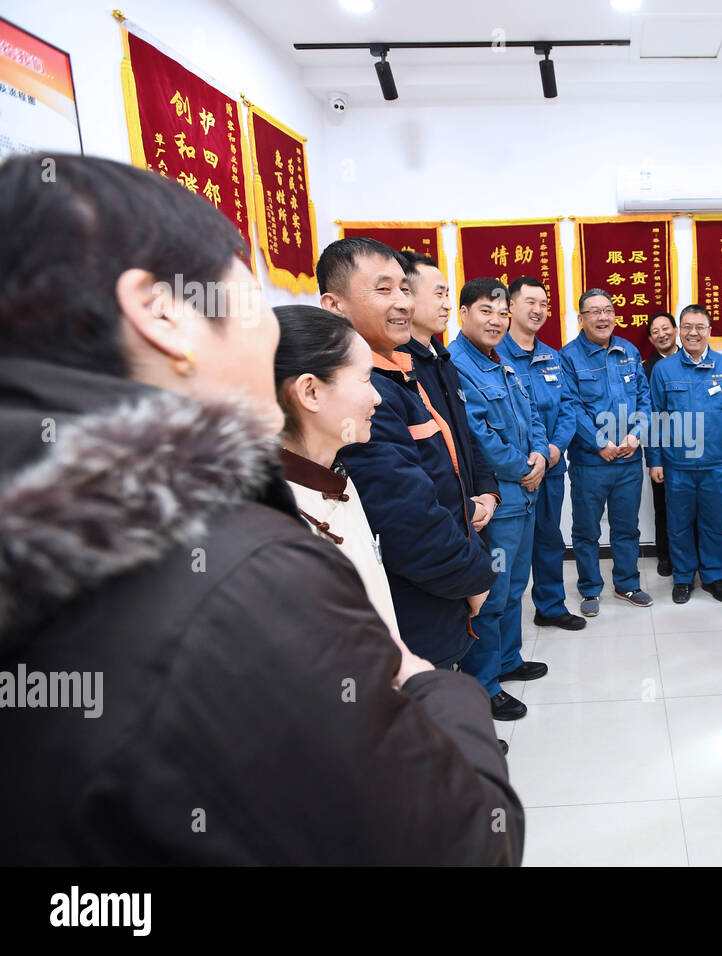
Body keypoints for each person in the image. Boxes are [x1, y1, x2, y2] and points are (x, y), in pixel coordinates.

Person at [0, 153, 521, 865]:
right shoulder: (238, 568)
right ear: (162, 314)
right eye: (251, 301)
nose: (273, 331)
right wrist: (430, 687)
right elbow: (461, 843)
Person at [319, 237, 495, 671]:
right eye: (383, 290)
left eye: (404, 289)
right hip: (413, 608)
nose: (402, 302)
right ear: (334, 305)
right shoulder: (362, 395)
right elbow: (406, 522)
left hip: (441, 595)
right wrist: (474, 577)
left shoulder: (401, 373)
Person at [450, 278, 551, 720]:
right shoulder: (457, 364)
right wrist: (523, 468)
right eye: (485, 311)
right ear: (464, 313)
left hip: (524, 494)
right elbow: (479, 437)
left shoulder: (502, 362)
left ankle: (508, 660)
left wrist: (542, 456)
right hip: (501, 500)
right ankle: (484, 685)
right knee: (491, 595)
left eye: (500, 312)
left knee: (514, 587)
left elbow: (533, 416)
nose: (495, 321)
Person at [273, 304, 400, 639]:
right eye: (366, 379)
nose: (377, 399)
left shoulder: (333, 473)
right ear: (311, 391)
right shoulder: (271, 526)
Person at [559, 288, 655, 615]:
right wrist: (600, 443)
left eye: (608, 310)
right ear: (581, 318)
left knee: (626, 526)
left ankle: (627, 583)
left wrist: (635, 435)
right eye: (595, 311)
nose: (603, 317)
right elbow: (570, 407)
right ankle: (589, 588)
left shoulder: (627, 350)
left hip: (628, 460)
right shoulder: (568, 357)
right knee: (586, 529)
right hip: (590, 463)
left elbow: (644, 399)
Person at [647, 305, 722, 604]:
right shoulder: (664, 370)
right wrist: (654, 460)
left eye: (700, 327)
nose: (693, 333)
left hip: (716, 464)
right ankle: (682, 578)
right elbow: (654, 418)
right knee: (678, 523)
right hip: (676, 464)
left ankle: (713, 576)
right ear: (679, 330)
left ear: (709, 330)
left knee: (714, 523)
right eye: (687, 326)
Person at [397, 252, 501, 539]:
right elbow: (417, 461)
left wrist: (488, 492)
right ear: (407, 297)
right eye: (439, 294)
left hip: (473, 512)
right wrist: (464, 507)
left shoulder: (444, 362)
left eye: (447, 295)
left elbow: (466, 436)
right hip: (438, 520)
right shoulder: (397, 368)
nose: (447, 305)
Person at [501, 276, 584, 631]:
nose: (538, 310)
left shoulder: (552, 356)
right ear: (511, 307)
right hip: (511, 473)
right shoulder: (494, 355)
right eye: (530, 302)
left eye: (544, 304)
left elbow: (569, 407)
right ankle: (499, 629)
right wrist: (526, 460)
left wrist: (553, 449)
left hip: (549, 467)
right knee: (510, 553)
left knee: (550, 539)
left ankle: (550, 606)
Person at [643, 311, 680, 578]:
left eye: (666, 328)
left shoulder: (691, 357)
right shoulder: (647, 368)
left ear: (676, 330)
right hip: (663, 447)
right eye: (655, 331)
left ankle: (693, 554)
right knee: (663, 505)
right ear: (650, 338)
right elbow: (647, 415)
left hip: (694, 444)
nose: (662, 334)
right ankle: (665, 555)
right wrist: (653, 457)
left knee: (695, 507)